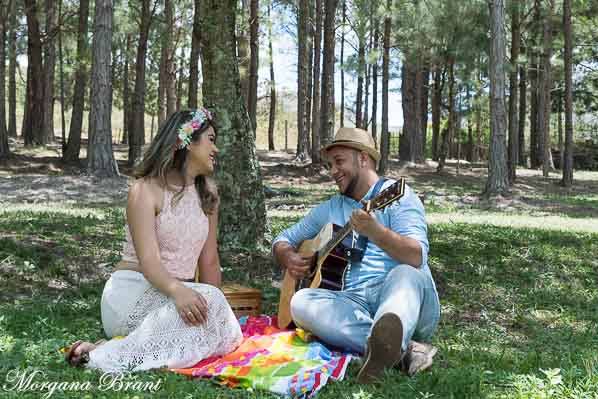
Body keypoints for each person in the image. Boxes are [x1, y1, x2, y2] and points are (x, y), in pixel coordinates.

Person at [65, 109, 243, 372]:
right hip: (133, 293)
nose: (216, 149)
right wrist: (180, 291)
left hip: (177, 298)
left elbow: (210, 260)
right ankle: (100, 359)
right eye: (211, 139)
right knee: (209, 319)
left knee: (228, 335)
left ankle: (112, 347)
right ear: (186, 142)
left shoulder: (209, 194)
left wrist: (213, 306)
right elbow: (149, 261)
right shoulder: (145, 190)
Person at [273, 127, 440, 383]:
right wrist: (288, 257)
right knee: (300, 302)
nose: (333, 171)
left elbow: (417, 256)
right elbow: (283, 239)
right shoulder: (331, 208)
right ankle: (403, 350)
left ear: (363, 158)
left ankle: (392, 339)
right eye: (330, 164)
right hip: (355, 303)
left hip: (405, 300)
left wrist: (376, 232)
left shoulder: (398, 196)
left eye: (339, 161)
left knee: (405, 272)